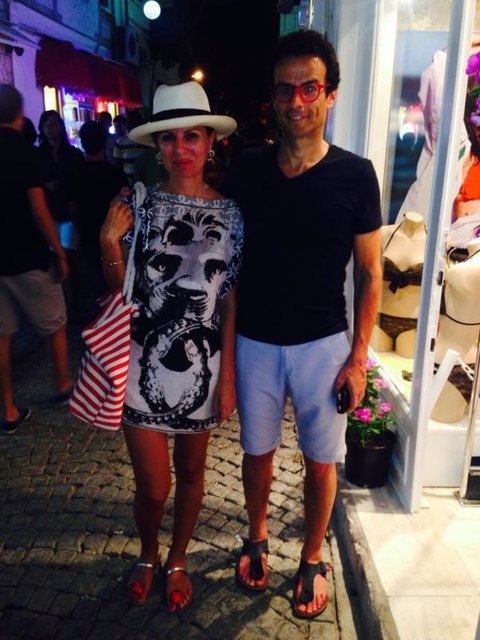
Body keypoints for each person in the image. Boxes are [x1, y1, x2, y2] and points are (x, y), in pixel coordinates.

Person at [221, 29, 382, 619]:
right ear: (272, 96)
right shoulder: (246, 169)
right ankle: (257, 536)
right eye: (285, 89)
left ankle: (312, 557)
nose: (296, 101)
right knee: (256, 451)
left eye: (309, 88)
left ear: (330, 94)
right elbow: (223, 258)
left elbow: (371, 273)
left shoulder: (356, 175)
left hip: (323, 343)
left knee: (321, 459)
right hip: (256, 340)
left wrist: (358, 359)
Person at [99, 81, 242, 611]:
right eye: (169, 138)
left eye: (191, 136)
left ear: (210, 142)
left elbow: (229, 300)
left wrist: (227, 378)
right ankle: (147, 552)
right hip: (139, 363)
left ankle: (177, 558)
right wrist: (108, 243)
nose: (181, 148)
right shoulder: (136, 203)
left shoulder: (232, 215)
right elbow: (120, 290)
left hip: (204, 364)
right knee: (154, 487)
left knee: (194, 473)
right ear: (157, 146)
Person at [0, 85, 73, 433]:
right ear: (19, 114)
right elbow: (39, 209)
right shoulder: (25, 153)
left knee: (2, 336)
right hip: (29, 255)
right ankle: (62, 384)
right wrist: (58, 251)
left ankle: (8, 409)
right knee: (55, 323)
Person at [70, 120, 128, 323]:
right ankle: (115, 323)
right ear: (105, 142)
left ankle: (98, 324)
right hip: (114, 238)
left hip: (86, 235)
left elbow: (73, 207)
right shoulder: (115, 173)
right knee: (114, 286)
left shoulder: (76, 173)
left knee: (93, 287)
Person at [37, 110, 84, 316]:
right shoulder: (39, 155)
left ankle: (73, 301)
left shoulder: (72, 154)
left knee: (70, 257)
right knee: (52, 259)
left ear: (61, 127)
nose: (50, 128)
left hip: (68, 211)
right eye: (46, 124)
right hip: (47, 212)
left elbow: (78, 183)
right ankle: (59, 302)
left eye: (53, 124)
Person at [370, 212, 427, 359]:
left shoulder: (435, 240)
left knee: (405, 368)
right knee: (375, 365)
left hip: (413, 323)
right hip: (379, 318)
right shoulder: (384, 233)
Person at [113, 111, 147, 184]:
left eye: (134, 121)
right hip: (127, 183)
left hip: (146, 182)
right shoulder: (121, 141)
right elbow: (118, 164)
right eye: (128, 121)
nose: (131, 123)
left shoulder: (147, 140)